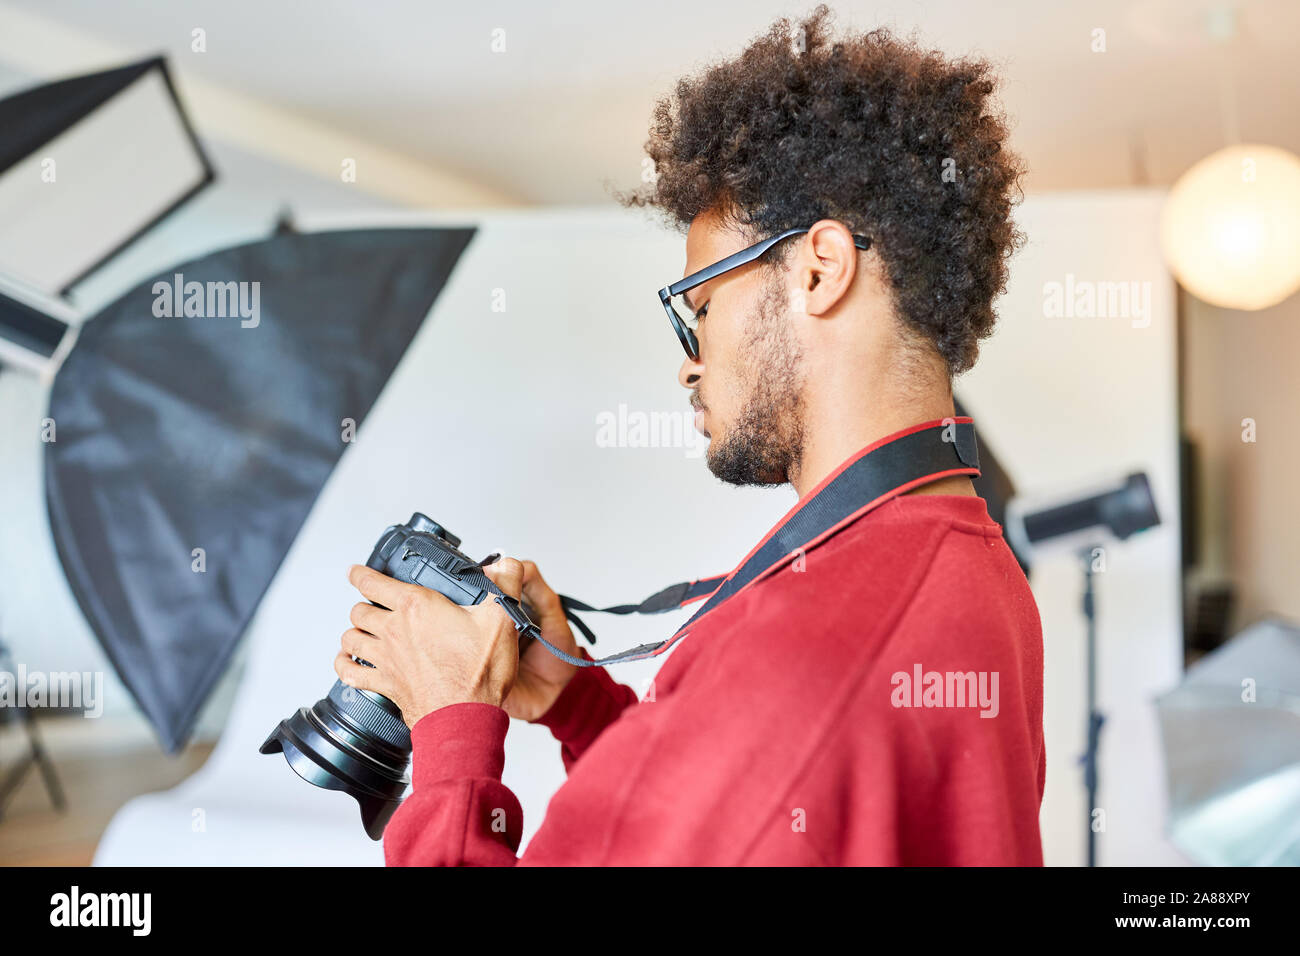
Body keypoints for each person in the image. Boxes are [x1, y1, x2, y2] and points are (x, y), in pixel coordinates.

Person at [337, 6, 1043, 865]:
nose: (689, 365)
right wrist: (579, 706)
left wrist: (452, 728)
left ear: (819, 270)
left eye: (700, 309)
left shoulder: (794, 662)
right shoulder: (976, 569)